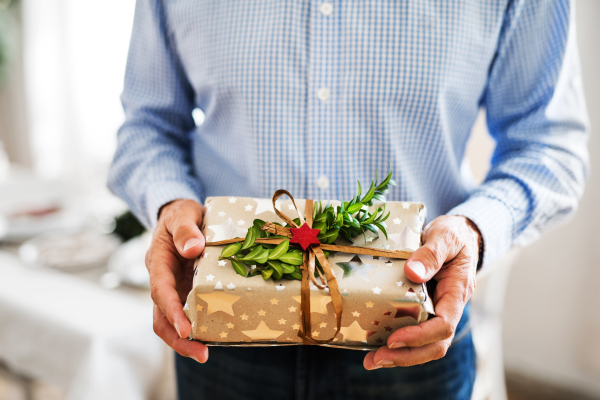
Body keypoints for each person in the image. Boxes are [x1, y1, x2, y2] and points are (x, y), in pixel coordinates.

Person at [108, 1, 589, 399]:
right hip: (223, 332)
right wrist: (170, 204)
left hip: (408, 337)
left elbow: (548, 147)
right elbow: (147, 127)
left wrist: (472, 230)